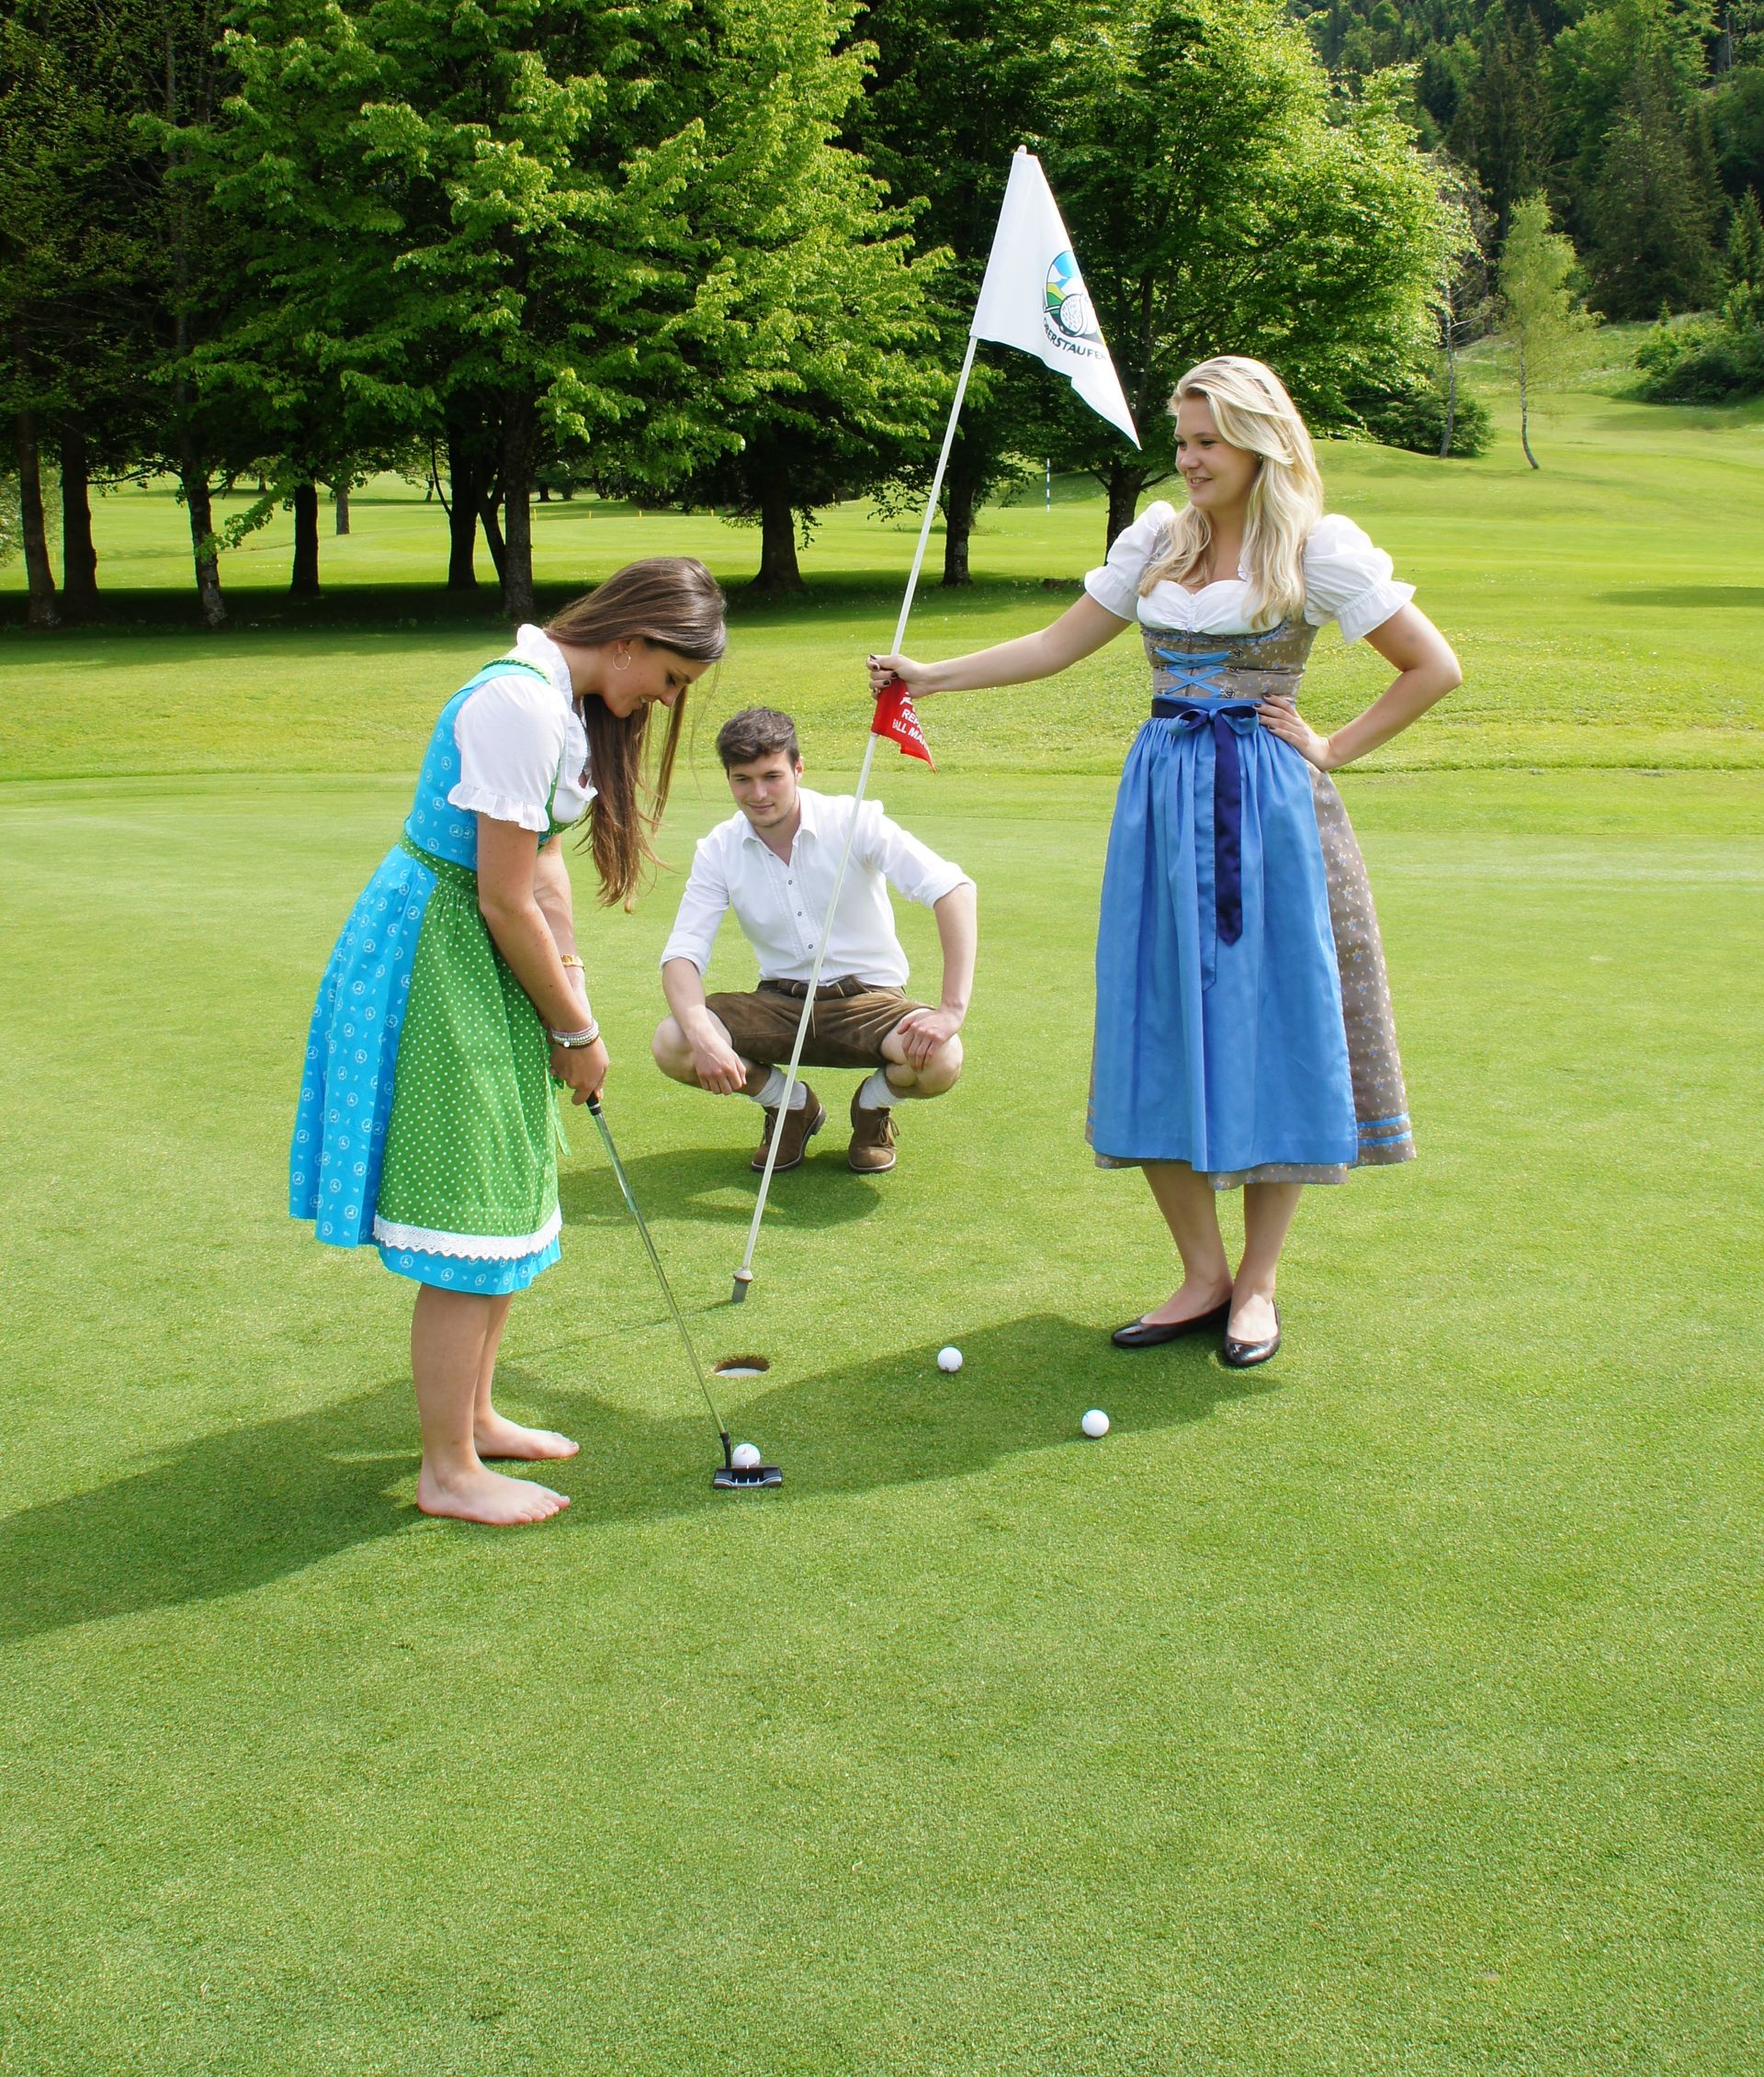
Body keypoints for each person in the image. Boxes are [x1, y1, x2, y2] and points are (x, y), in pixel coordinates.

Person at [870, 356, 1461, 1369]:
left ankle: (1259, 1283)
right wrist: (935, 675)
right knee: (1157, 1017)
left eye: (1207, 440)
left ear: (1260, 444)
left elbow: (1433, 666)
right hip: (1157, 803)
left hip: (1267, 811)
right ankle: (1201, 1272)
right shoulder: (1157, 537)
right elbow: (1058, 645)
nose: (1188, 458)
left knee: (1268, 1023)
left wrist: (1330, 746)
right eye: (1181, 439)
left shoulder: (1319, 550)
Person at [290, 559, 726, 1526]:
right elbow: (498, 891)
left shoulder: (563, 707)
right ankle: (446, 1468)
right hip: (441, 954)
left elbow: (541, 866)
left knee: (501, 1190)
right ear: (630, 640)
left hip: (485, 955)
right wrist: (571, 1026)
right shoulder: (517, 706)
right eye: (670, 677)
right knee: (468, 1215)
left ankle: (476, 1415)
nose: (664, 698)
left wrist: (574, 991)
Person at [651, 706, 977, 1176]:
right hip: (779, 1003)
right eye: (742, 779)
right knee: (674, 1040)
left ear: (798, 768)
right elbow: (683, 954)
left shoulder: (854, 819)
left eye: (772, 776)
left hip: (870, 1003)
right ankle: (791, 1106)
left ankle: (871, 1107)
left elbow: (953, 890)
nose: (758, 794)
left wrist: (951, 1009)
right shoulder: (718, 849)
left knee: (942, 1058)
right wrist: (703, 1034)